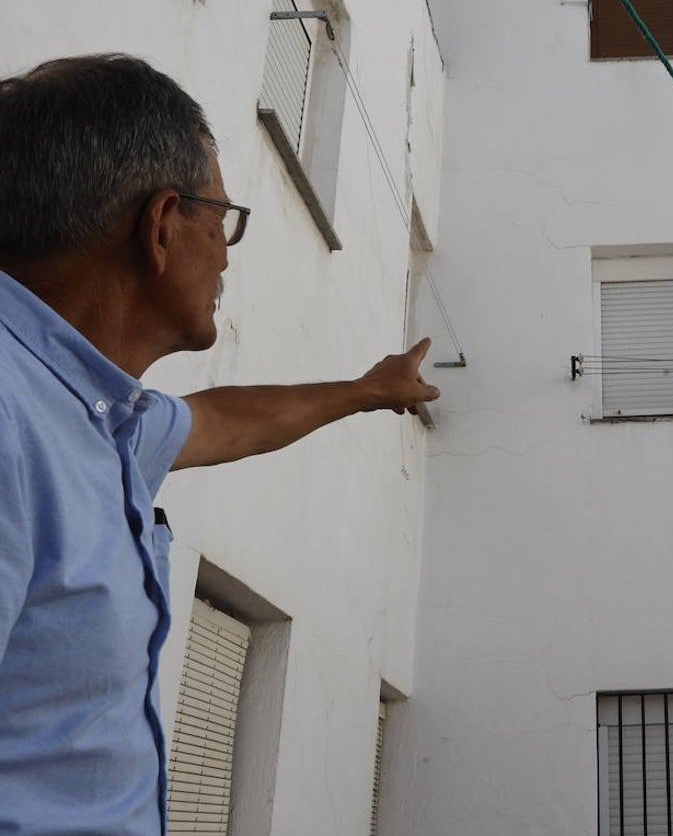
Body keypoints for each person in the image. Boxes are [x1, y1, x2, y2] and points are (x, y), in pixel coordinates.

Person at [0, 54, 440, 835]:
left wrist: (369, 391)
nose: (229, 252)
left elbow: (224, 421)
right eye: (222, 218)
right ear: (162, 224)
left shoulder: (98, 416)